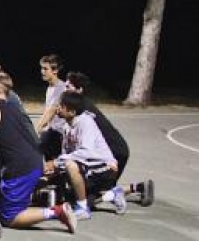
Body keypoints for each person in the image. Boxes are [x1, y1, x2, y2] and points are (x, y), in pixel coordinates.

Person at [0, 72, 77, 235]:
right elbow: (7, 141)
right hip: (34, 161)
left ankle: (56, 212)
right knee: (8, 204)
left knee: (9, 217)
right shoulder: (13, 105)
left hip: (20, 168)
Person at [65, 71, 154, 207]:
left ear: (79, 90)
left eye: (68, 87)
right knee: (91, 190)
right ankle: (139, 187)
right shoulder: (82, 105)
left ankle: (132, 189)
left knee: (89, 196)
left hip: (115, 151)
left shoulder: (83, 110)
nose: (65, 89)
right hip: (115, 149)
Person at [47, 91, 122, 220]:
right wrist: (55, 167)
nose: (57, 108)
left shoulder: (86, 122)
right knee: (63, 174)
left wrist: (57, 162)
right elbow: (67, 153)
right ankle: (112, 194)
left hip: (105, 167)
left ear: (72, 112)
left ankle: (82, 209)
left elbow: (86, 151)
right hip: (88, 166)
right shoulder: (67, 126)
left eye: (61, 106)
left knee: (70, 165)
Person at [34, 54, 66, 161]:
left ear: (55, 70)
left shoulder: (61, 88)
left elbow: (51, 111)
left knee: (38, 147)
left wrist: (36, 129)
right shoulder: (50, 88)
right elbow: (48, 112)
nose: (42, 71)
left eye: (45, 69)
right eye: (41, 68)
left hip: (60, 133)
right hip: (53, 131)